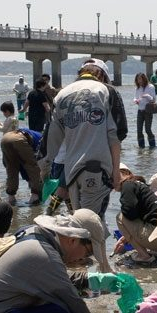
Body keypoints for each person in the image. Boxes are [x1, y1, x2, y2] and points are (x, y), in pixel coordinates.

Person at [47, 58, 125, 223]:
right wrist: (116, 172)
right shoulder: (106, 90)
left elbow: (51, 138)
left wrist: (44, 170)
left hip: (72, 169)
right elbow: (118, 134)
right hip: (99, 168)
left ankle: (48, 215)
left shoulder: (61, 95)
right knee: (94, 223)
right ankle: (97, 249)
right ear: (102, 76)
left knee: (79, 219)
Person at [113, 164, 157, 264]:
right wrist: (125, 237)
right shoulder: (142, 186)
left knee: (120, 216)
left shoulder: (127, 185)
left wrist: (127, 236)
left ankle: (144, 256)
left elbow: (130, 213)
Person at [1, 128, 43, 206]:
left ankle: (11, 197)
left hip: (5, 138)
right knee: (33, 167)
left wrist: (28, 179)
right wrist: (34, 184)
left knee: (11, 169)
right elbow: (32, 166)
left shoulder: (36, 134)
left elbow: (20, 166)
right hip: (19, 138)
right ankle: (35, 197)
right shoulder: (42, 141)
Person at [133, 73, 157, 148]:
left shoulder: (150, 87)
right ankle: (141, 148)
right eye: (138, 79)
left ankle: (152, 147)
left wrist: (147, 96)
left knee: (147, 130)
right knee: (139, 131)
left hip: (148, 111)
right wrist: (135, 100)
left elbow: (153, 100)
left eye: (140, 79)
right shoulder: (138, 88)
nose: (139, 81)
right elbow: (135, 97)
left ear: (144, 79)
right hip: (140, 111)